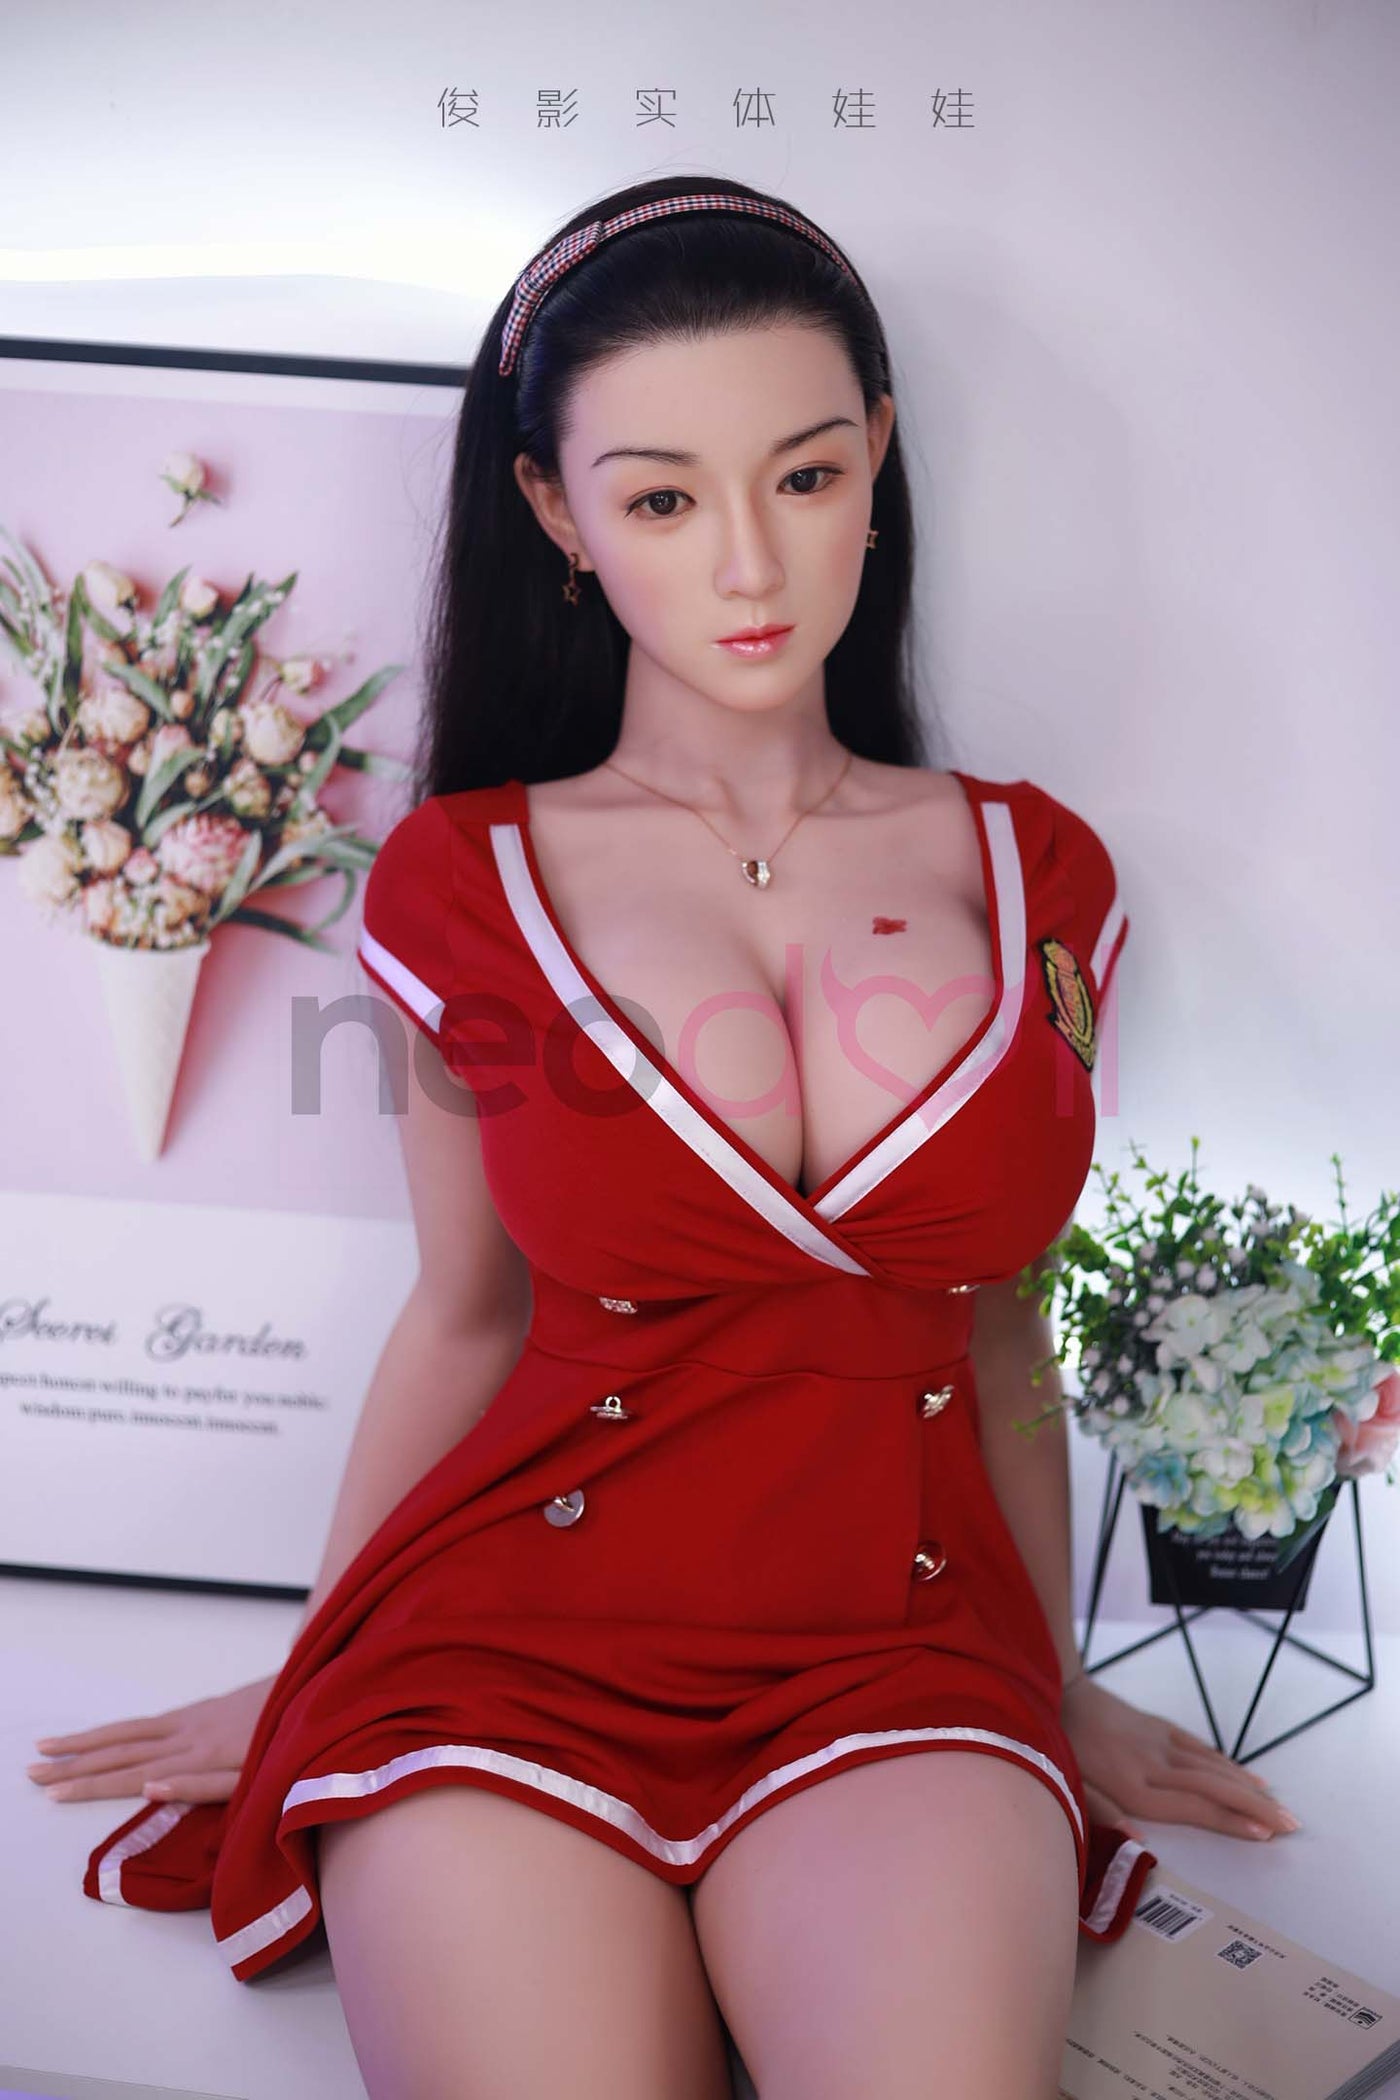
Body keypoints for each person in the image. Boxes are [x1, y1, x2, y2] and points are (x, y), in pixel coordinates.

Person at [28, 175, 1301, 2100]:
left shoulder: (1037, 871)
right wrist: (312, 1666)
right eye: (661, 500)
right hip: (505, 1643)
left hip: (902, 1644)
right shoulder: (466, 879)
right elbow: (465, 1315)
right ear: (557, 511)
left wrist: (1055, 1682)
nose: (751, 564)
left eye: (806, 475)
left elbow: (1004, 1337)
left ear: (878, 455)